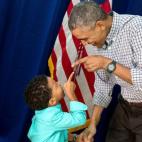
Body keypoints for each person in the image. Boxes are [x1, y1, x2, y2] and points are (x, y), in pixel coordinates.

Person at [68, 1, 142, 142]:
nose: (84, 44)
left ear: (100, 25)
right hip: (124, 107)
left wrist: (106, 63)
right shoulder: (99, 39)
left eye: (85, 38)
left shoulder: (137, 28)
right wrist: (93, 125)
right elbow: (103, 86)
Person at [24, 72, 88, 142]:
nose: (59, 83)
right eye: (56, 85)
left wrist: (75, 138)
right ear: (52, 101)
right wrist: (71, 95)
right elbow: (80, 119)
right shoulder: (52, 117)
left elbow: (58, 132)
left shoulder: (41, 113)